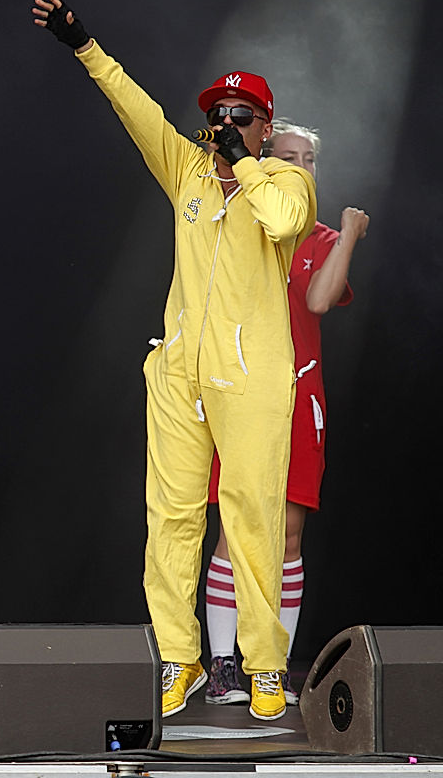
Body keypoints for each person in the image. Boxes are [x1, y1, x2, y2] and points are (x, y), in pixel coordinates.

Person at [33, 0, 317, 721]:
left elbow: (283, 221)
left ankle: (264, 665)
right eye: (218, 114)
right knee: (170, 517)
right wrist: (83, 46)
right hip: (180, 369)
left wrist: (243, 167)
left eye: (240, 116)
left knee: (250, 515)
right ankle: (179, 657)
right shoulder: (187, 172)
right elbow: (139, 111)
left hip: (252, 374)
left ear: (265, 127)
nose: (223, 124)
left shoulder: (285, 181)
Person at [203, 120, 370, 706]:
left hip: (300, 397)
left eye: (310, 160)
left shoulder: (321, 236)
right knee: (234, 532)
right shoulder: (242, 224)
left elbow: (321, 299)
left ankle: (269, 666)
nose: (300, 167)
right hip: (243, 395)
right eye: (288, 155)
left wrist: (348, 233)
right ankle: (223, 666)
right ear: (263, 157)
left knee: (288, 538)